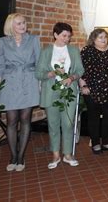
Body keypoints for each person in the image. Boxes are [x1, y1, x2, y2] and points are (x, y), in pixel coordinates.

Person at [0, 13, 40, 172]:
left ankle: (21, 156)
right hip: (10, 83)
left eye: (24, 23)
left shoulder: (34, 39)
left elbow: (39, 62)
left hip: (29, 81)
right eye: (18, 23)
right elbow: (0, 64)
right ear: (11, 26)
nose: (22, 26)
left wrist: (40, 83)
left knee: (25, 119)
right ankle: (13, 156)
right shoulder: (1, 42)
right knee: (12, 120)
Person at [36, 22, 84, 169]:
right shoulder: (46, 51)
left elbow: (80, 70)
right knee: (53, 124)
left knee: (69, 123)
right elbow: (38, 73)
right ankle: (56, 154)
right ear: (55, 35)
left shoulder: (74, 50)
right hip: (52, 91)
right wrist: (51, 73)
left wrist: (71, 78)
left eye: (69, 36)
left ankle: (68, 154)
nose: (67, 39)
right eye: (64, 35)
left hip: (69, 91)